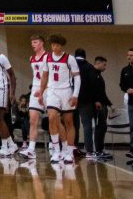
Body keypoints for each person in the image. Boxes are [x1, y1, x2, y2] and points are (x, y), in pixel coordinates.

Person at [38, 33, 80, 163]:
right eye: (52, 44)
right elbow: (45, 76)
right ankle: (56, 151)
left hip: (66, 91)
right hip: (52, 91)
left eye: (56, 45)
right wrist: (41, 92)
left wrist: (75, 95)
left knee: (68, 121)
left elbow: (77, 77)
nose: (54, 47)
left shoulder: (69, 58)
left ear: (61, 46)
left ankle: (69, 150)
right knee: (52, 118)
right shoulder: (47, 58)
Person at [18, 33, 49, 160]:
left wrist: (43, 89)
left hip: (48, 88)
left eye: (35, 42)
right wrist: (36, 89)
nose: (33, 45)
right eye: (32, 43)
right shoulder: (31, 58)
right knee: (32, 120)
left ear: (42, 43)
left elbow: (49, 75)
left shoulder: (48, 56)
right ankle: (31, 149)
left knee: (54, 121)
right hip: (36, 89)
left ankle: (61, 147)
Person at [77, 52, 112, 161]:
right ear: (99, 63)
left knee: (100, 127)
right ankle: (91, 151)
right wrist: (96, 100)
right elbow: (92, 88)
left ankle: (97, 150)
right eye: (104, 65)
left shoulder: (97, 74)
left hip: (92, 103)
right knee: (91, 126)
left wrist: (110, 104)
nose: (105, 67)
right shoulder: (91, 71)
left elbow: (101, 91)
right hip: (88, 103)